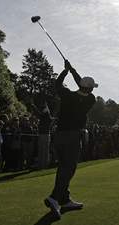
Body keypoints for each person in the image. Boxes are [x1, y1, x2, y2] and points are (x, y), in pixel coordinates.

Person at [44, 60, 97, 220]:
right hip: (72, 137)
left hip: (59, 136)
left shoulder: (67, 95)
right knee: (69, 168)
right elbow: (82, 85)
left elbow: (57, 84)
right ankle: (54, 198)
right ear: (89, 89)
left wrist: (66, 71)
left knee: (63, 167)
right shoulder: (90, 99)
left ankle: (65, 199)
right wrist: (73, 71)